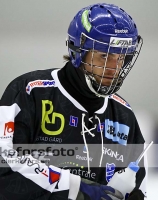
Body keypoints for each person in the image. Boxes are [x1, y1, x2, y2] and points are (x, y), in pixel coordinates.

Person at [0, 3, 147, 200]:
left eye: (121, 58)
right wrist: (75, 188)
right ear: (78, 52)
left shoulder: (124, 116)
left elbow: (139, 187)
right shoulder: (29, 92)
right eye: (105, 55)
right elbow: (4, 165)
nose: (114, 67)